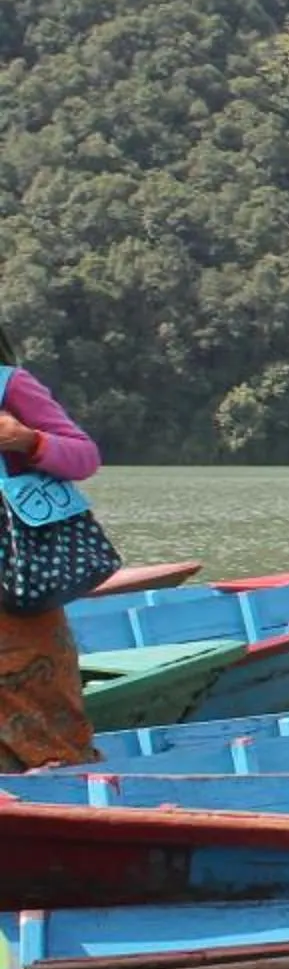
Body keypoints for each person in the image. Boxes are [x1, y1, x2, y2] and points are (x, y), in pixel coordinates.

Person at [0, 326, 102, 774]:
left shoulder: (9, 386)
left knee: (46, 724)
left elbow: (84, 456)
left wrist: (29, 441)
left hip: (15, 583)